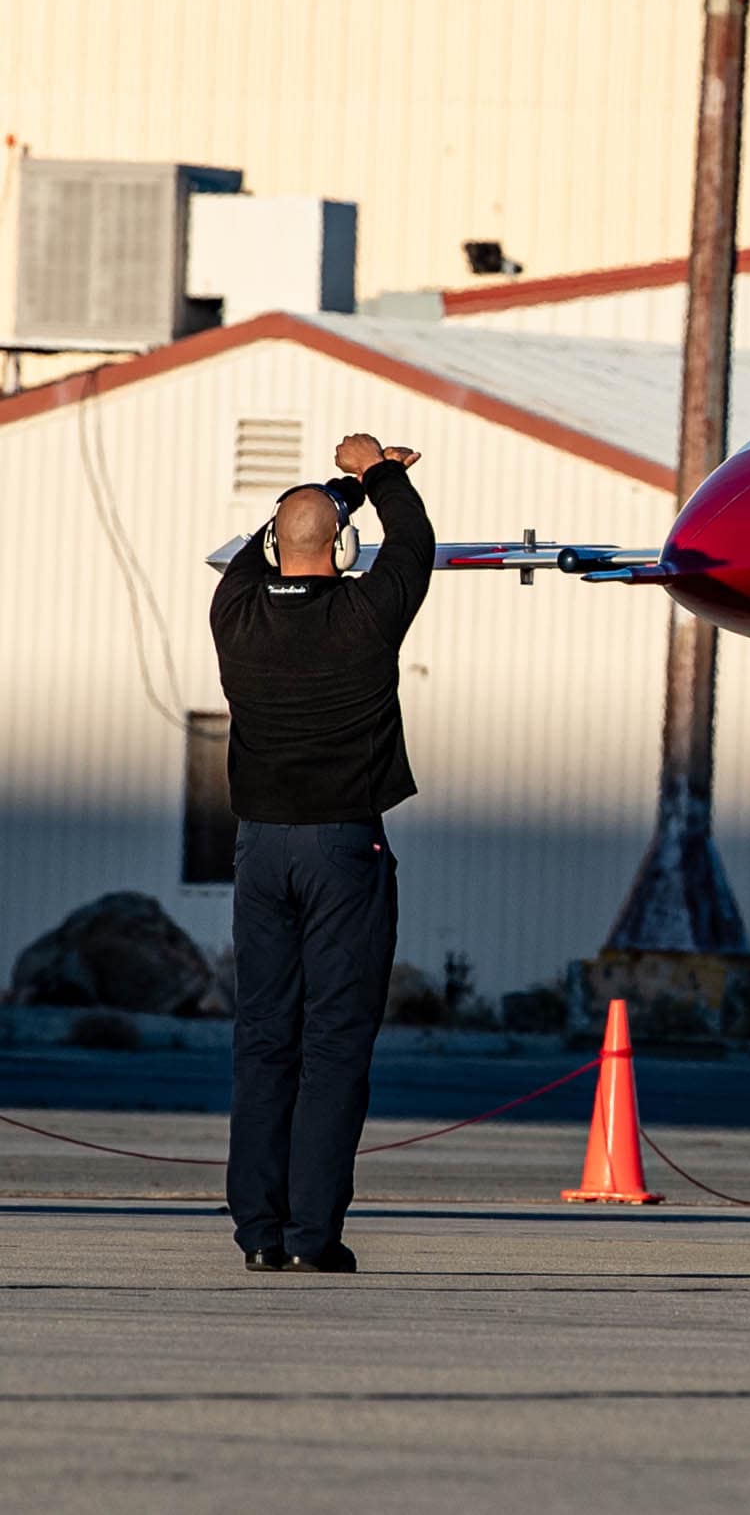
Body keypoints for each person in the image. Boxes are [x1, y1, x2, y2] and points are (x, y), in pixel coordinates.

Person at [209, 433, 434, 1274]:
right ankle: (312, 1237)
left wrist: (339, 491)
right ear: (342, 552)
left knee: (263, 1038)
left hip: (259, 850)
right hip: (344, 845)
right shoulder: (367, 616)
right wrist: (373, 474)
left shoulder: (232, 615)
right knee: (335, 1041)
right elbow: (414, 543)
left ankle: (259, 1233)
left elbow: (252, 546)